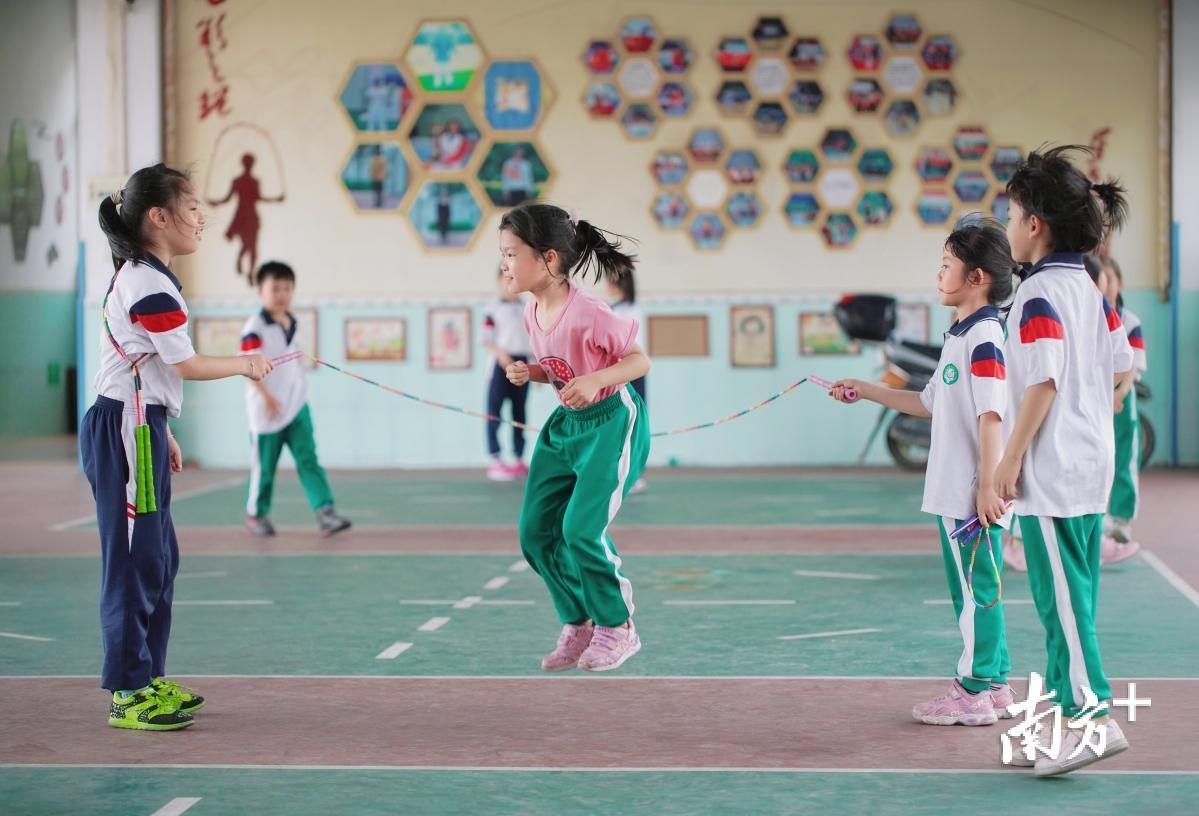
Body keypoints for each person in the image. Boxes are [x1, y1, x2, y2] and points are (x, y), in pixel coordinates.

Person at [87, 163, 274, 729]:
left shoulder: (152, 277)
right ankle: (127, 690)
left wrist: (162, 426)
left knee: (159, 558)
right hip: (123, 430)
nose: (202, 217)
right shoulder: (145, 281)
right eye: (191, 207)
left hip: (142, 424)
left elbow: (141, 367)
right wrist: (246, 365)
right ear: (158, 217)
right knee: (131, 560)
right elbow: (183, 364)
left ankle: (147, 676)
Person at [830, 217, 1017, 727]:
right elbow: (929, 402)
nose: (938, 275)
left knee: (976, 593)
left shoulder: (984, 339)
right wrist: (864, 389)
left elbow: (991, 414)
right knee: (978, 588)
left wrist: (984, 485)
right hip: (956, 490)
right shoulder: (961, 336)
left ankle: (974, 690)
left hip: (968, 494)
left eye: (946, 266)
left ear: (976, 277)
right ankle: (996, 684)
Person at [993, 145, 1134, 776]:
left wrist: (1009, 459)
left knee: (1063, 605)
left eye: (1012, 213)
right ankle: (1066, 718)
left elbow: (1042, 381)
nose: (1007, 227)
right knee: (1073, 600)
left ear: (1035, 225)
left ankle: (1093, 718)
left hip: (1053, 471)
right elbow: (1121, 365)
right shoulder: (1089, 288)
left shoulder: (1039, 294)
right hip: (1091, 461)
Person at [500, 202, 650, 672]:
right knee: (535, 534)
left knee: (581, 531)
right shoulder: (531, 313)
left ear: (548, 259)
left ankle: (618, 627)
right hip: (566, 426)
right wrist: (535, 372)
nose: (504, 263)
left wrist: (593, 382)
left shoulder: (590, 311)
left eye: (510, 253)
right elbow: (563, 367)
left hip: (609, 423)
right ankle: (579, 622)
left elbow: (638, 360)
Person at [240, 261, 351, 538]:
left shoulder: (294, 321)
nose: (281, 294)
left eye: (287, 288)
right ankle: (257, 514)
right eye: (275, 288)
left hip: (296, 405)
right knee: (264, 466)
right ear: (260, 291)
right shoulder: (254, 327)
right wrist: (266, 397)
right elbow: (247, 365)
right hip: (266, 411)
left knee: (308, 459)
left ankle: (325, 512)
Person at [1100, 255, 1146, 561]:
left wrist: (1120, 393)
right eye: (1100, 281)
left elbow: (1132, 364)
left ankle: (1121, 520)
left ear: (1119, 283)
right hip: (1092, 396)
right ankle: (1097, 520)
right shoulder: (1087, 316)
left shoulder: (1130, 322)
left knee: (1123, 458)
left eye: (1110, 280)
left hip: (1121, 396)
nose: (1104, 287)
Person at [482, 267, 532, 481]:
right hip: (500, 365)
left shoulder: (527, 308)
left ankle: (519, 457)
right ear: (499, 281)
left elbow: (533, 340)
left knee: (519, 413)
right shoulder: (492, 309)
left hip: (523, 364)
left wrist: (536, 367)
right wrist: (501, 356)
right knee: (495, 411)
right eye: (506, 278)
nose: (510, 283)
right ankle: (495, 459)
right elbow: (486, 339)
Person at [606, 267, 648, 493]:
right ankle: (622, 474)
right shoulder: (617, 309)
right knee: (620, 425)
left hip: (628, 373)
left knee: (630, 424)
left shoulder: (627, 311)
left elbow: (627, 348)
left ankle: (631, 474)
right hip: (622, 373)